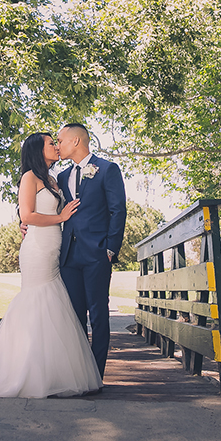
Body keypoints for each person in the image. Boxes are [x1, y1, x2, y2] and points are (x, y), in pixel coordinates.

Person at [0, 133, 103, 398]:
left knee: (53, 302)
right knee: (36, 299)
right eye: (51, 143)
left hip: (55, 248)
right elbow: (26, 213)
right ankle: (24, 371)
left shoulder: (53, 179)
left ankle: (51, 373)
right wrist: (57, 216)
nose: (56, 146)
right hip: (37, 248)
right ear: (38, 149)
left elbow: (32, 212)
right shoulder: (30, 177)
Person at [55, 123, 127, 380]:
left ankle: (95, 375)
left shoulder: (107, 169)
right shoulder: (61, 177)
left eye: (60, 140)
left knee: (98, 314)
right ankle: (78, 374)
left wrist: (110, 248)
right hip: (68, 256)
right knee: (74, 317)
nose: (57, 145)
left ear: (76, 141)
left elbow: (118, 210)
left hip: (97, 253)